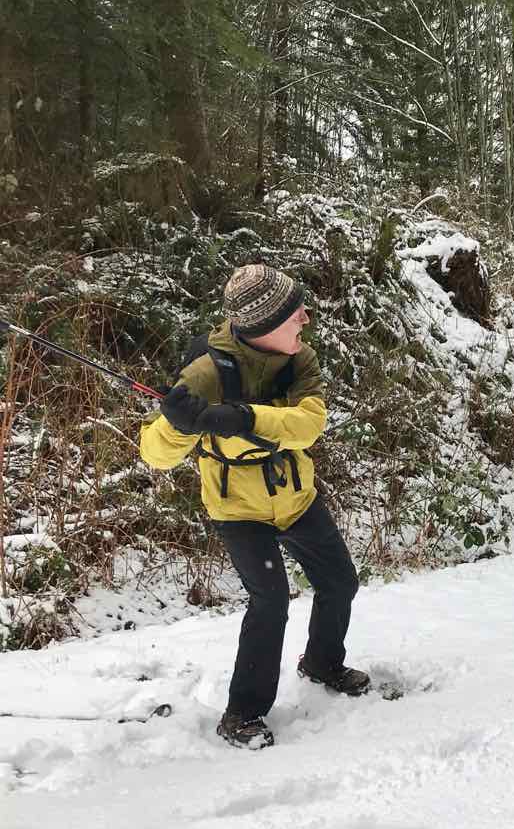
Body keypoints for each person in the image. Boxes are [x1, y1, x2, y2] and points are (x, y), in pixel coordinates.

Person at [139, 264, 368, 749]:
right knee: (270, 602)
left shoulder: (299, 360)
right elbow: (155, 456)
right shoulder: (206, 373)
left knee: (340, 582)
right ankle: (241, 714)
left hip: (297, 498)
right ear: (265, 325)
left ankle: (323, 663)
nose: (305, 318)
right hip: (238, 511)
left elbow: (309, 424)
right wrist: (177, 426)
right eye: (294, 314)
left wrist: (246, 416)